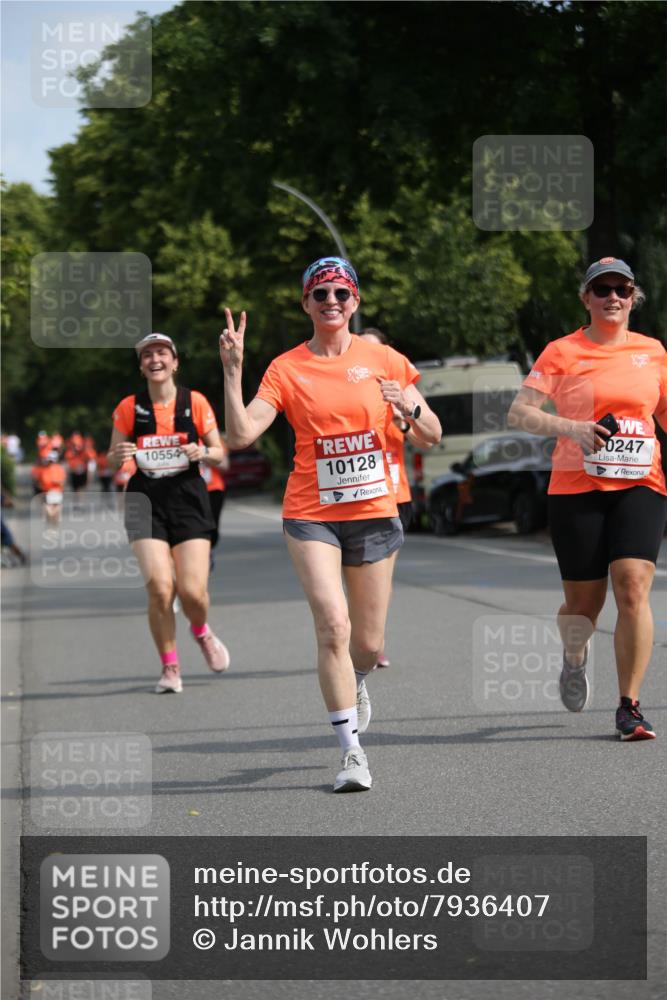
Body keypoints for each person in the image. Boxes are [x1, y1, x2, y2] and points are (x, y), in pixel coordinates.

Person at [220, 257, 441, 791]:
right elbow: (242, 434)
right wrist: (232, 371)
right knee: (332, 626)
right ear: (306, 304)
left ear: (355, 301)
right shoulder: (286, 368)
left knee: (365, 642)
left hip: (373, 513)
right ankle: (351, 753)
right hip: (310, 513)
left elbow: (432, 433)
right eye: (320, 294)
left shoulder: (385, 359)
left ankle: (357, 678)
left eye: (341, 293)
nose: (331, 302)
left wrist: (406, 410)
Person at [508, 257, 667, 740]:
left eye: (621, 288)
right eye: (602, 290)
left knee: (633, 585)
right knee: (583, 607)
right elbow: (520, 413)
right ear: (586, 298)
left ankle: (629, 706)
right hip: (577, 488)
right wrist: (570, 427)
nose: (612, 297)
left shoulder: (654, 352)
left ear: (634, 295)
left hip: (641, 481)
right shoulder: (562, 352)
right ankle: (574, 656)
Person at [108, 332, 231, 694]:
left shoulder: (195, 402)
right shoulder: (130, 406)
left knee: (192, 592)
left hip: (189, 498)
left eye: (162, 353)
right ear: (141, 366)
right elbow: (112, 455)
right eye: (147, 355)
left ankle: (201, 630)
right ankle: (170, 667)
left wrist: (201, 453)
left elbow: (219, 452)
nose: (155, 359)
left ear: (175, 362)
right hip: (144, 500)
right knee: (161, 588)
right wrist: (121, 454)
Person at [359, 327, 430, 669]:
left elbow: (425, 439)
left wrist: (404, 415)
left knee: (382, 576)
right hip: (355, 497)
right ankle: (358, 633)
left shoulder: (397, 394)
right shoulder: (351, 396)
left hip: (392, 495)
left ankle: (375, 640)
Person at [200, 439, 229, 571]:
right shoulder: (182, 439)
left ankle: (209, 549)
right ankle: (199, 553)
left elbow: (225, 465)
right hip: (191, 490)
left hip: (213, 489)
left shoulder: (214, 440)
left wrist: (206, 456)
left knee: (213, 525)